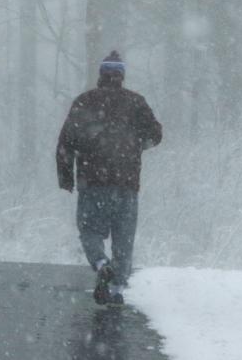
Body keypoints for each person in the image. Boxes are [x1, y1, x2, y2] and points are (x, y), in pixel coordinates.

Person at [56, 50, 163, 305]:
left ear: (101, 75)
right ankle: (117, 290)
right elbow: (156, 134)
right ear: (121, 76)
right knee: (124, 236)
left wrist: (66, 177)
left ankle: (101, 263)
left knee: (89, 230)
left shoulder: (84, 101)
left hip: (92, 181)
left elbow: (65, 142)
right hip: (126, 183)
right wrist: (136, 145)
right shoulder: (136, 102)